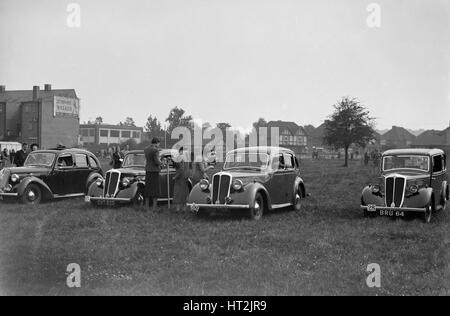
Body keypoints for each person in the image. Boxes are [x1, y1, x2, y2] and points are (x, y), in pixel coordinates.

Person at [144, 138, 162, 212]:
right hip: (154, 171)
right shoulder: (155, 150)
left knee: (148, 190)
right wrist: (162, 162)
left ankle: (147, 208)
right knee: (155, 190)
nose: (158, 145)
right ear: (156, 143)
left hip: (148, 171)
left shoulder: (146, 149)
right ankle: (154, 208)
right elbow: (157, 161)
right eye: (158, 143)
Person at [172, 147, 189, 212]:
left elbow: (181, 169)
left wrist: (175, 176)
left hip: (180, 177)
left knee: (178, 192)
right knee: (184, 192)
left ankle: (178, 208)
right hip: (185, 176)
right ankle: (184, 207)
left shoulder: (180, 157)